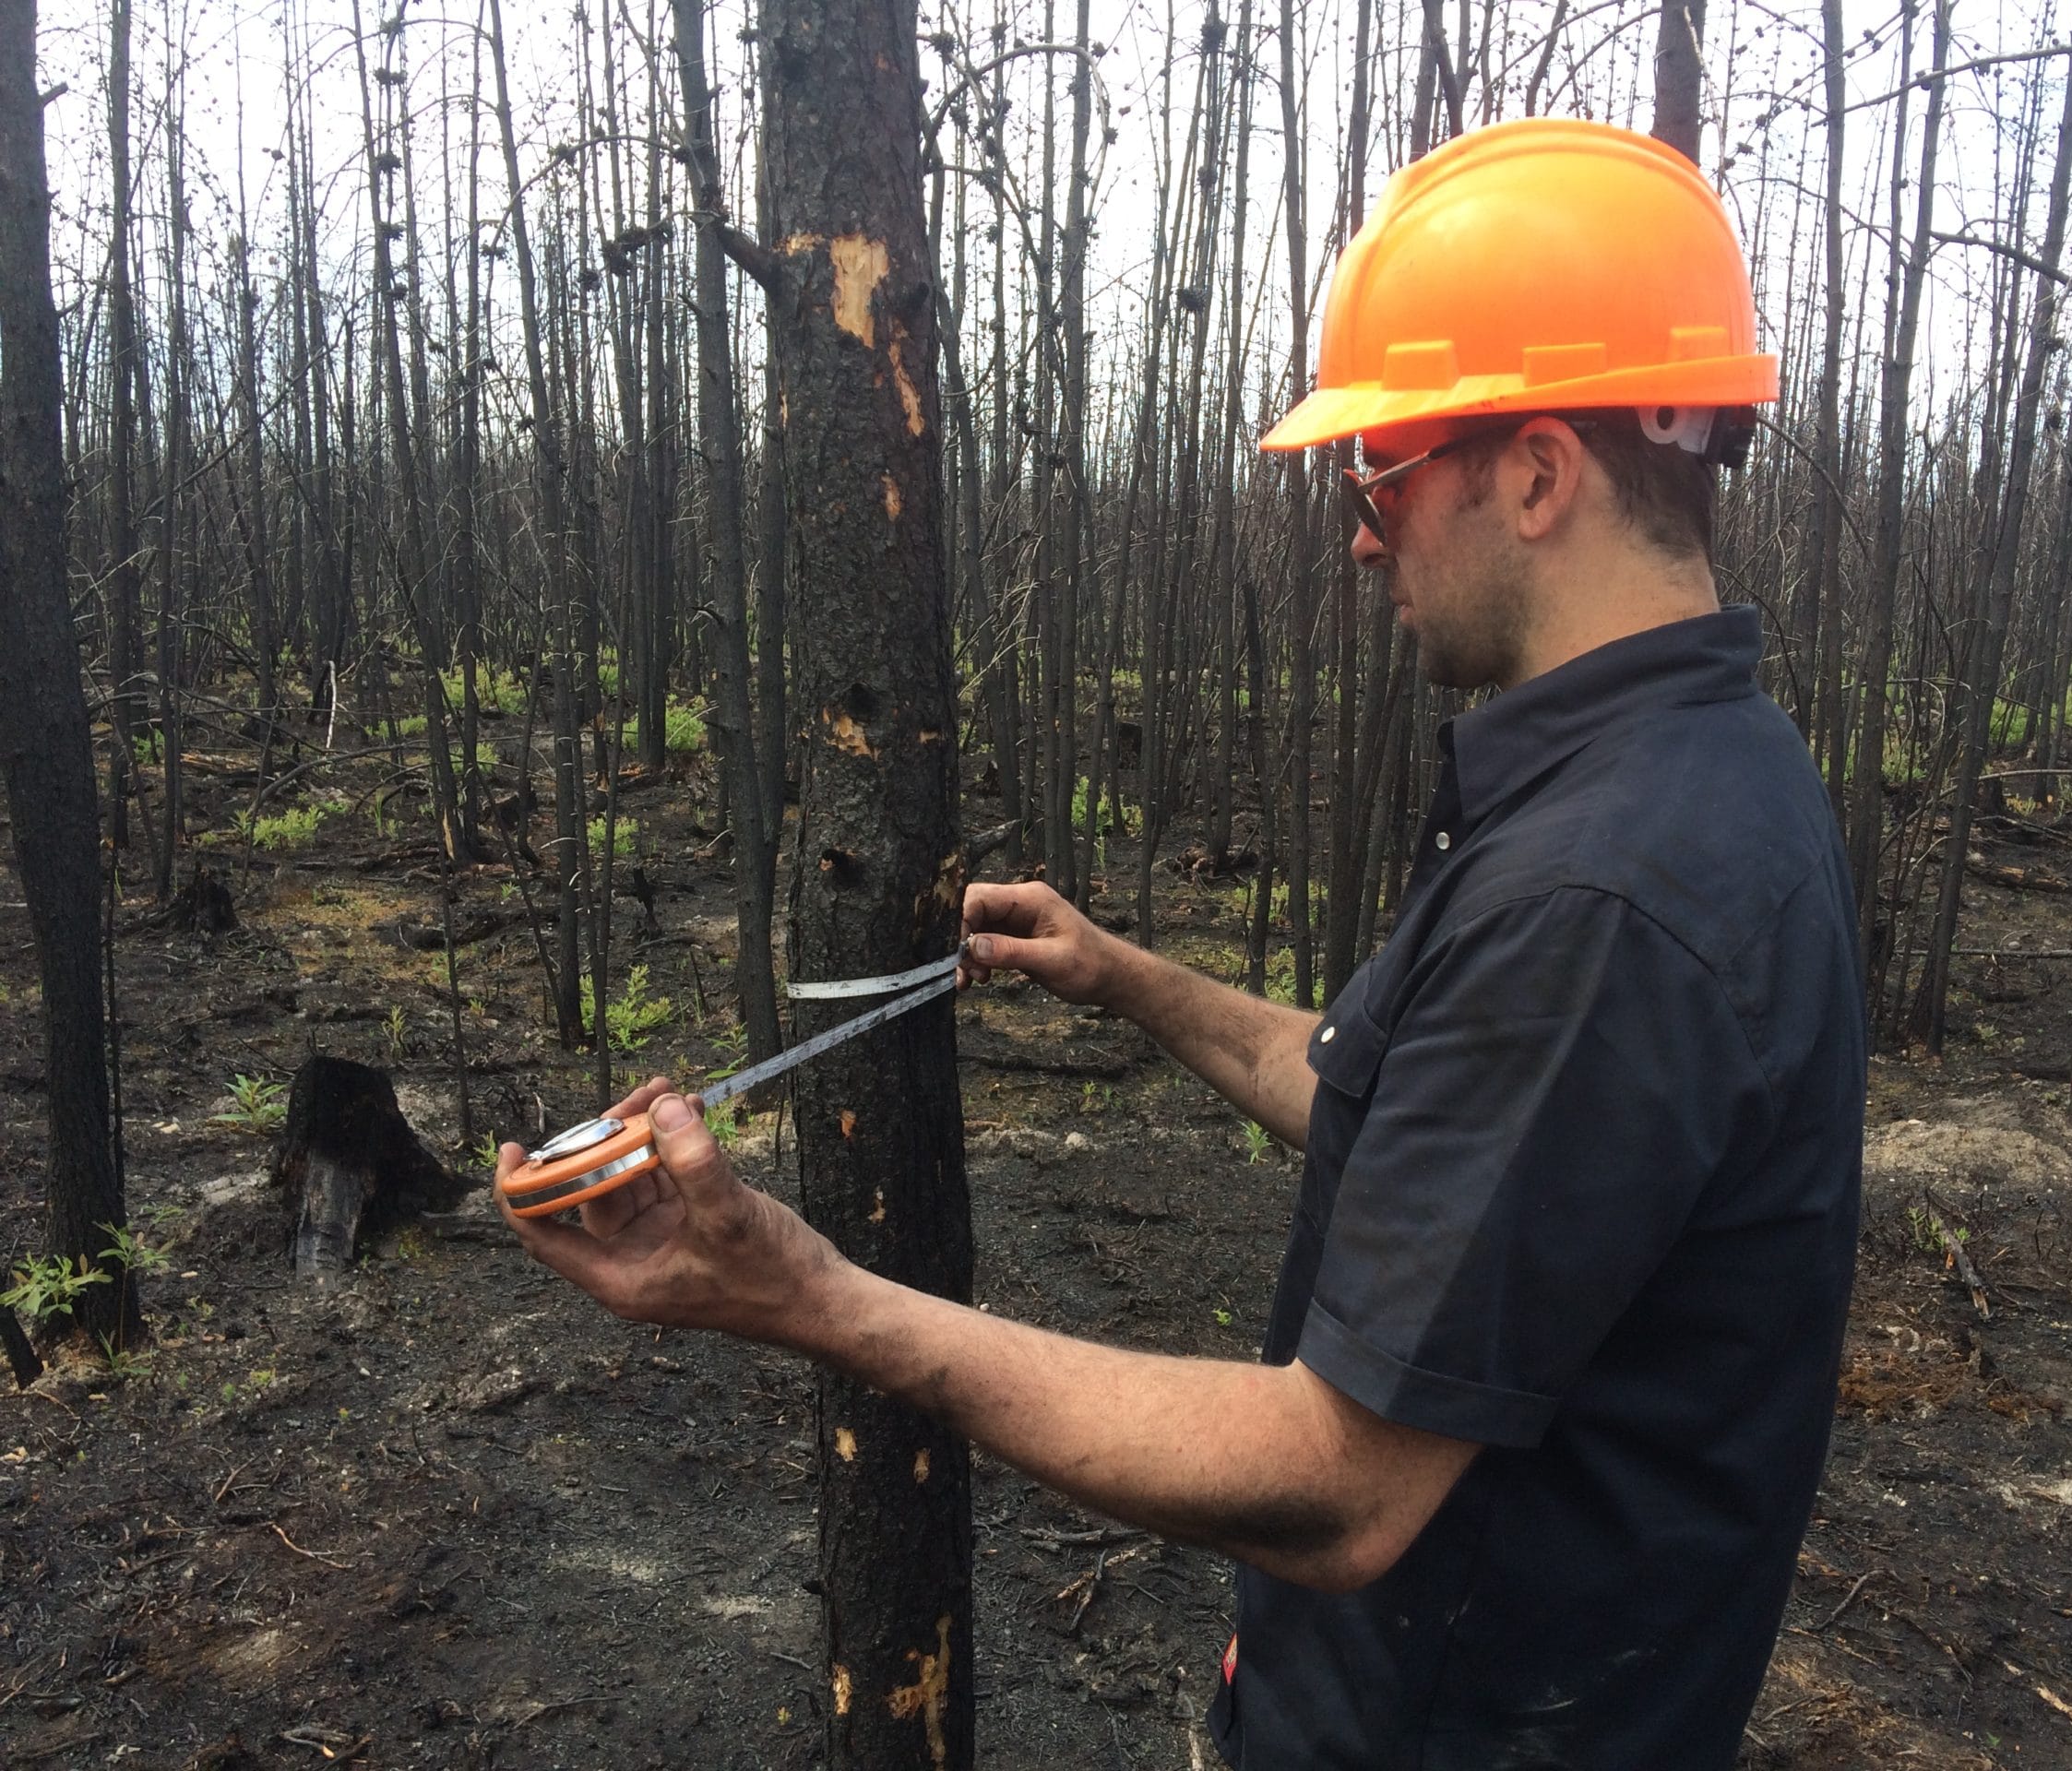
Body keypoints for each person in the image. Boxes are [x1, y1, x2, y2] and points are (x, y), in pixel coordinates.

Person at [499, 117, 1864, 1770]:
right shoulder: (1687, 776)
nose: (1359, 529)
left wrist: (808, 1293)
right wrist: (1122, 973)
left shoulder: (1605, 896)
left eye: (1382, 469)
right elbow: (1384, 1095)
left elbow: (1337, 1482)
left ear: (1537, 472)